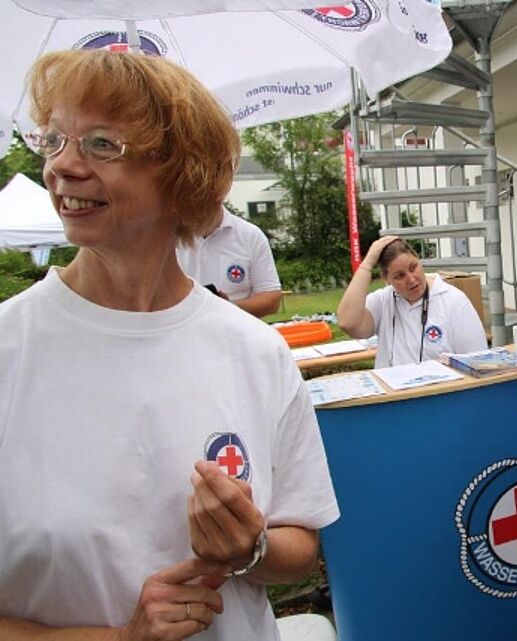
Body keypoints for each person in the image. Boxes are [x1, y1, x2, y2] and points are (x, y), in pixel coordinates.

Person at [0, 49, 339, 640]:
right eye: (53, 140)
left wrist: (248, 548)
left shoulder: (254, 351)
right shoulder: (9, 350)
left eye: (101, 144)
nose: (62, 167)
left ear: (183, 173)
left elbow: (302, 546)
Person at [337, 235, 487, 368]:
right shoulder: (383, 300)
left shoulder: (454, 301)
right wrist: (368, 263)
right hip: (393, 396)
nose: (411, 279)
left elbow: (478, 363)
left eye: (413, 267)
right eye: (399, 276)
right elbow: (348, 323)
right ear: (386, 279)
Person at [176, 206, 283, 318]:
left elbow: (271, 299)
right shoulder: (169, 236)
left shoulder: (251, 235)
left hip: (237, 331)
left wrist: (228, 308)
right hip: (182, 332)